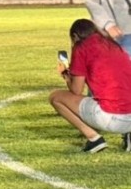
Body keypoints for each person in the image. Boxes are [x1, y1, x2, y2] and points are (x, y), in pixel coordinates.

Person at [49, 18, 131, 153]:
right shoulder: (114, 45)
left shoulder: (82, 47)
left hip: (111, 118)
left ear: (75, 36)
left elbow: (76, 90)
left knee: (55, 97)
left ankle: (94, 138)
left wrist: (66, 77)